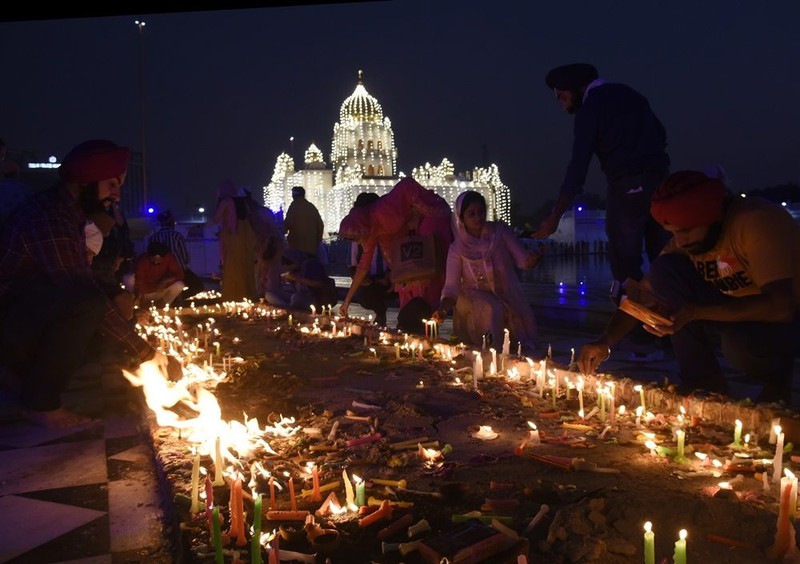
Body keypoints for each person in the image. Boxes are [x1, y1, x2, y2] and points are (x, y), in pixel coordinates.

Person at [0, 139, 181, 428]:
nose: (117, 196)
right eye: (111, 185)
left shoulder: (67, 215)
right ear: (85, 181)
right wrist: (145, 351)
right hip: (9, 321)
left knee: (104, 312)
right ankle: (39, 403)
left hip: (24, 319)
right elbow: (79, 289)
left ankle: (25, 381)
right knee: (89, 305)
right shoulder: (49, 218)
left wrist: (126, 312)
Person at [577, 170, 800, 404]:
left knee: (739, 345)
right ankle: (703, 383)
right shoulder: (688, 239)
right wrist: (605, 341)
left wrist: (696, 311)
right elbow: (644, 293)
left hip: (788, 315)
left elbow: (780, 307)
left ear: (713, 216)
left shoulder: (755, 222)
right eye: (673, 233)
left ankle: (778, 384)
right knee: (665, 269)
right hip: (735, 305)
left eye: (685, 231)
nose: (680, 241)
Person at [534, 63, 671, 294]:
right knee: (666, 259)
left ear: (574, 88)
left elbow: (578, 165)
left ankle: (636, 321)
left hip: (627, 186)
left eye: (562, 96)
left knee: (625, 264)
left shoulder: (590, 108)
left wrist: (556, 215)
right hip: (662, 184)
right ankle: (677, 316)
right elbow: (661, 133)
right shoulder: (632, 95)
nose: (562, 104)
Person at [338, 177, 453, 334]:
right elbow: (362, 267)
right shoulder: (372, 230)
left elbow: (407, 186)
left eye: (355, 237)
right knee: (407, 280)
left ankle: (430, 316)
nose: (357, 242)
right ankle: (416, 324)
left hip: (430, 217)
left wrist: (416, 213)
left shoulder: (382, 210)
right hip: (412, 237)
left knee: (428, 273)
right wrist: (346, 302)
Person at [432, 191, 542, 353]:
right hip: (474, 298)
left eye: (481, 212)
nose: (478, 217)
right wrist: (442, 309)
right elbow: (451, 286)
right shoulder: (457, 248)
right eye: (472, 214)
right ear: (461, 217)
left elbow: (523, 260)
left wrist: (533, 259)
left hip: (505, 294)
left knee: (522, 344)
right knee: (490, 307)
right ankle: (490, 352)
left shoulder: (500, 233)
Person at [348, 192, 394, 326]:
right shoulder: (358, 237)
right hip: (371, 282)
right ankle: (380, 312)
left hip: (392, 279)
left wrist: (390, 277)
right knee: (366, 295)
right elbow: (353, 266)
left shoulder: (390, 231)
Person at [211, 179, 258, 301]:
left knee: (233, 267)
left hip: (233, 236)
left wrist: (198, 227)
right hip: (246, 235)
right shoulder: (242, 203)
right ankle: (247, 295)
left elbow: (216, 219)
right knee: (245, 266)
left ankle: (235, 296)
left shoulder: (226, 201)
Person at [149, 210, 204, 303]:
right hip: (180, 269)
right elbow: (185, 258)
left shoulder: (154, 237)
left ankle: (172, 298)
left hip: (159, 271)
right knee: (198, 286)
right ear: (172, 223)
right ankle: (177, 298)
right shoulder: (177, 236)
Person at [131, 241, 186, 308]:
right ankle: (133, 303)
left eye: (159, 261)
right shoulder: (142, 260)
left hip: (161, 291)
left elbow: (179, 274)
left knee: (179, 285)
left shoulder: (169, 258)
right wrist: (139, 296)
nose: (156, 262)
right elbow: (139, 280)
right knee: (128, 278)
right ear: (149, 256)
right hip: (145, 293)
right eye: (153, 260)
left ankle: (163, 306)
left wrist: (166, 280)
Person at [283, 185, 324, 259]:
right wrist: (316, 242)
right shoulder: (311, 207)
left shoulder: (294, 206)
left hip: (296, 247)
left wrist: (281, 232)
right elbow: (320, 226)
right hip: (311, 248)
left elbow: (288, 223)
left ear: (294, 195)